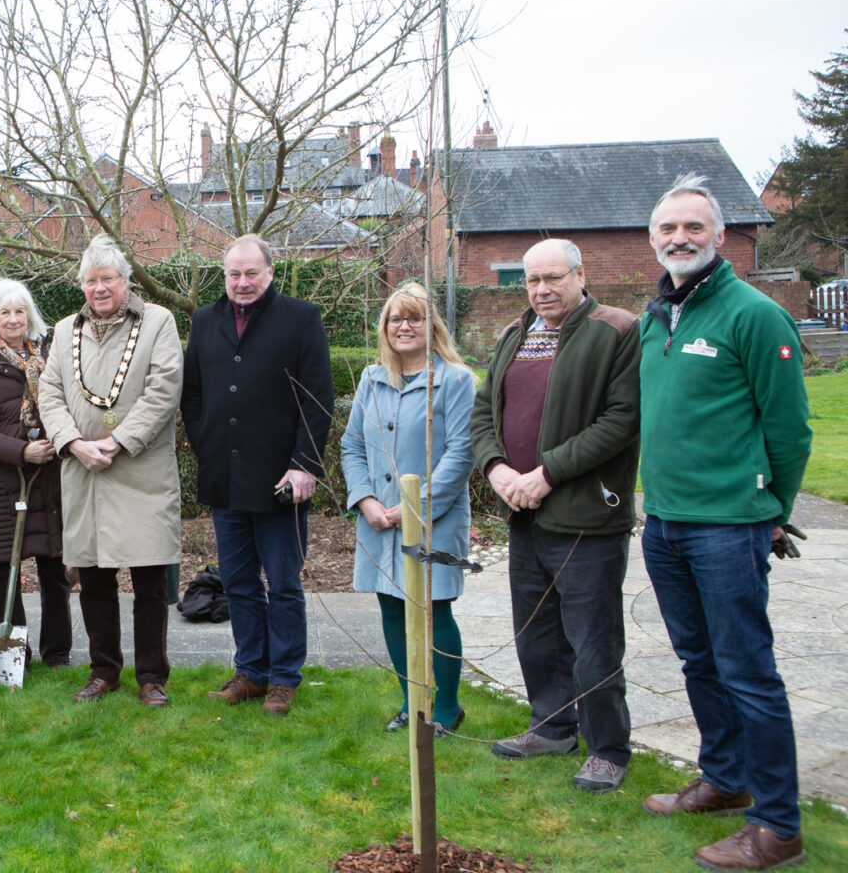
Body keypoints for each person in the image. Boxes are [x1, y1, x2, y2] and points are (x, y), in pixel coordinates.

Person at [638, 174, 812, 871]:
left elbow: (791, 431)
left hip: (727, 527)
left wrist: (773, 513)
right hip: (666, 523)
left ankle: (778, 827)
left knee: (748, 672)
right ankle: (725, 778)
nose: (679, 238)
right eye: (667, 229)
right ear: (653, 240)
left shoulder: (754, 314)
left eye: (693, 228)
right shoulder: (659, 317)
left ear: (718, 234)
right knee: (698, 660)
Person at [470, 239, 641, 792]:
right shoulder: (514, 335)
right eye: (530, 281)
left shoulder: (617, 330)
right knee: (536, 633)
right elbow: (482, 413)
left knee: (593, 641)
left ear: (580, 275)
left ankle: (608, 748)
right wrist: (496, 469)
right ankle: (551, 727)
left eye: (552, 278)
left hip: (587, 515)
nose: (541, 290)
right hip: (524, 514)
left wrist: (545, 474)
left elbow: (620, 421)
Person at [182, 235, 334, 715]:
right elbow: (193, 395)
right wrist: (206, 441)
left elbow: (317, 398)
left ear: (270, 272)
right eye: (233, 274)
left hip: (283, 479)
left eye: (251, 273)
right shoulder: (206, 321)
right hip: (225, 476)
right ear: (223, 275)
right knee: (239, 582)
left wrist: (306, 463)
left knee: (284, 582)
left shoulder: (301, 317)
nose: (242, 283)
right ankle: (251, 671)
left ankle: (285, 677)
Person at [38, 234, 184, 707]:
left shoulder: (158, 321)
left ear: (124, 280)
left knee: (149, 580)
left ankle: (151, 677)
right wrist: (74, 443)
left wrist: (118, 441)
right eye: (90, 280)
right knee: (94, 579)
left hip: (141, 471)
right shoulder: (64, 330)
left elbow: (164, 390)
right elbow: (50, 393)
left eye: (108, 279)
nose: (99, 288)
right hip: (84, 471)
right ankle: (104, 671)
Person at [339, 282, 474, 738]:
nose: (404, 326)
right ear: (385, 327)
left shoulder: (454, 381)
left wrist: (414, 509)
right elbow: (352, 445)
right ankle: (410, 702)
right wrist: (365, 500)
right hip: (378, 520)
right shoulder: (371, 379)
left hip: (435, 520)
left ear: (431, 325)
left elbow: (461, 454)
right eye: (396, 318)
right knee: (392, 609)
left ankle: (447, 709)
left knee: (435, 610)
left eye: (415, 317)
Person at [0, 279, 72, 667]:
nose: (13, 319)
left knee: (55, 570)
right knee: (6, 572)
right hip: (1, 484)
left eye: (19, 311)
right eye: (4, 312)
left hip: (49, 481)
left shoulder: (51, 356)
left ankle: (58, 654)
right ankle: (12, 660)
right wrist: (23, 450)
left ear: (30, 316)